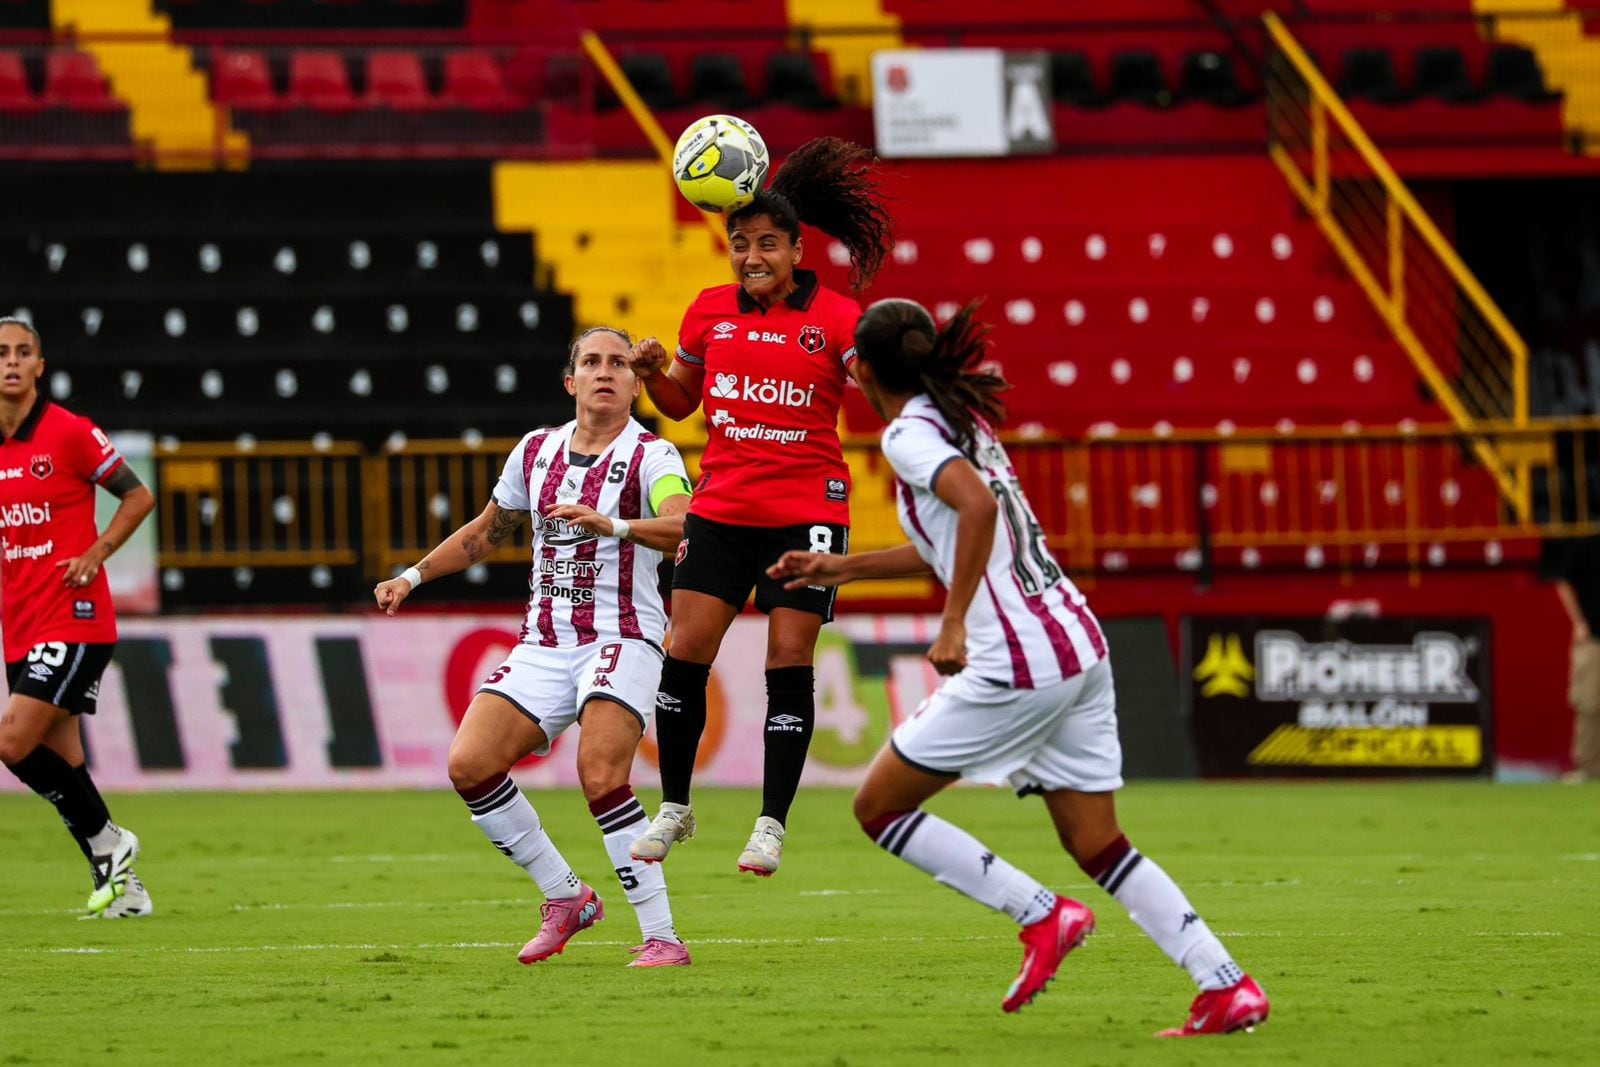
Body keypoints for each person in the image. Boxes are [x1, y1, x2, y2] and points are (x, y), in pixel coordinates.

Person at [767, 299, 1271, 1034]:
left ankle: (1041, 913)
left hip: (1016, 658)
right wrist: (841, 566)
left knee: (878, 806)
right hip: (1076, 642)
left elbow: (975, 512)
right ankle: (1224, 982)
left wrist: (950, 621)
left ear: (862, 371)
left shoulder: (908, 434)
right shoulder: (963, 421)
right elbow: (957, 528)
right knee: (1099, 841)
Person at [374, 326, 696, 968]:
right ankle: (566, 896)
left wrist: (615, 524)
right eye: (591, 362)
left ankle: (662, 936)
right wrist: (411, 576)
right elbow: (488, 532)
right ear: (570, 381)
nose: (606, 371)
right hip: (545, 643)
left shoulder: (653, 457)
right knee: (469, 764)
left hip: (622, 635)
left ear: (637, 384)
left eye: (619, 363)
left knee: (601, 774)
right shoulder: (535, 450)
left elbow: (685, 524)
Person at [626, 137, 894, 876]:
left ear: (797, 248)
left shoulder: (838, 318)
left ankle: (771, 822)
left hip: (806, 512)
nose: (752, 256)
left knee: (788, 659)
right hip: (719, 509)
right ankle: (675, 806)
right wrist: (654, 375)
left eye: (767, 244)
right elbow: (681, 406)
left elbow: (872, 387)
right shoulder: (709, 313)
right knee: (685, 651)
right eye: (740, 244)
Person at [0, 317, 156, 918]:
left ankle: (111, 844)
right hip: (21, 621)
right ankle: (126, 889)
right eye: (2, 354)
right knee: (63, 761)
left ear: (40, 367)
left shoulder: (69, 432)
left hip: (76, 616)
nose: (12, 362)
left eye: (23, 353)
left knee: (13, 743)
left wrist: (97, 552)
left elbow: (138, 495)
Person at [1554, 535, 1600, 783]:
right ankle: (1589, 769)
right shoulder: (1587, 545)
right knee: (1588, 703)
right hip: (1592, 640)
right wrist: (1578, 622)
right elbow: (1562, 580)